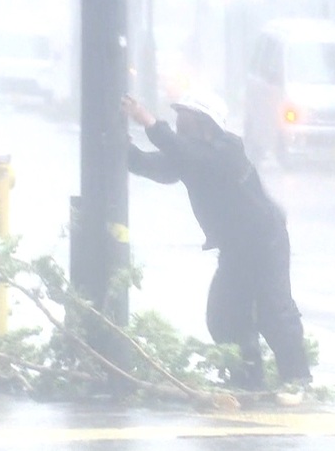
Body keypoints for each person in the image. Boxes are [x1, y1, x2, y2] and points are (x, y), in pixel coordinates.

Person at [122, 90, 313, 406]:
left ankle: (297, 380)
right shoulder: (188, 157)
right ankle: (247, 379)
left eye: (186, 118)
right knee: (224, 317)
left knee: (274, 312)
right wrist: (122, 145)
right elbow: (152, 164)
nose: (179, 123)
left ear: (205, 125)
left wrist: (148, 121)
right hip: (235, 250)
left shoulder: (227, 152)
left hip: (265, 242)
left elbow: (186, 154)